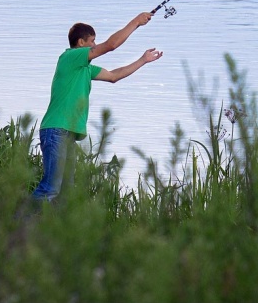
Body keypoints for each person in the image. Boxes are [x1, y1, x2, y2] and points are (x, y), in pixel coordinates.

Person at [31, 12, 162, 202]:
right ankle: (21, 219)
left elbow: (114, 76)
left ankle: (49, 221)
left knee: (65, 193)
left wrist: (143, 60)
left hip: (67, 134)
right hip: (56, 130)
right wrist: (136, 22)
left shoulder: (85, 69)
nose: (95, 45)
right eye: (92, 41)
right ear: (81, 42)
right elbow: (111, 45)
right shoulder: (70, 57)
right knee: (50, 188)